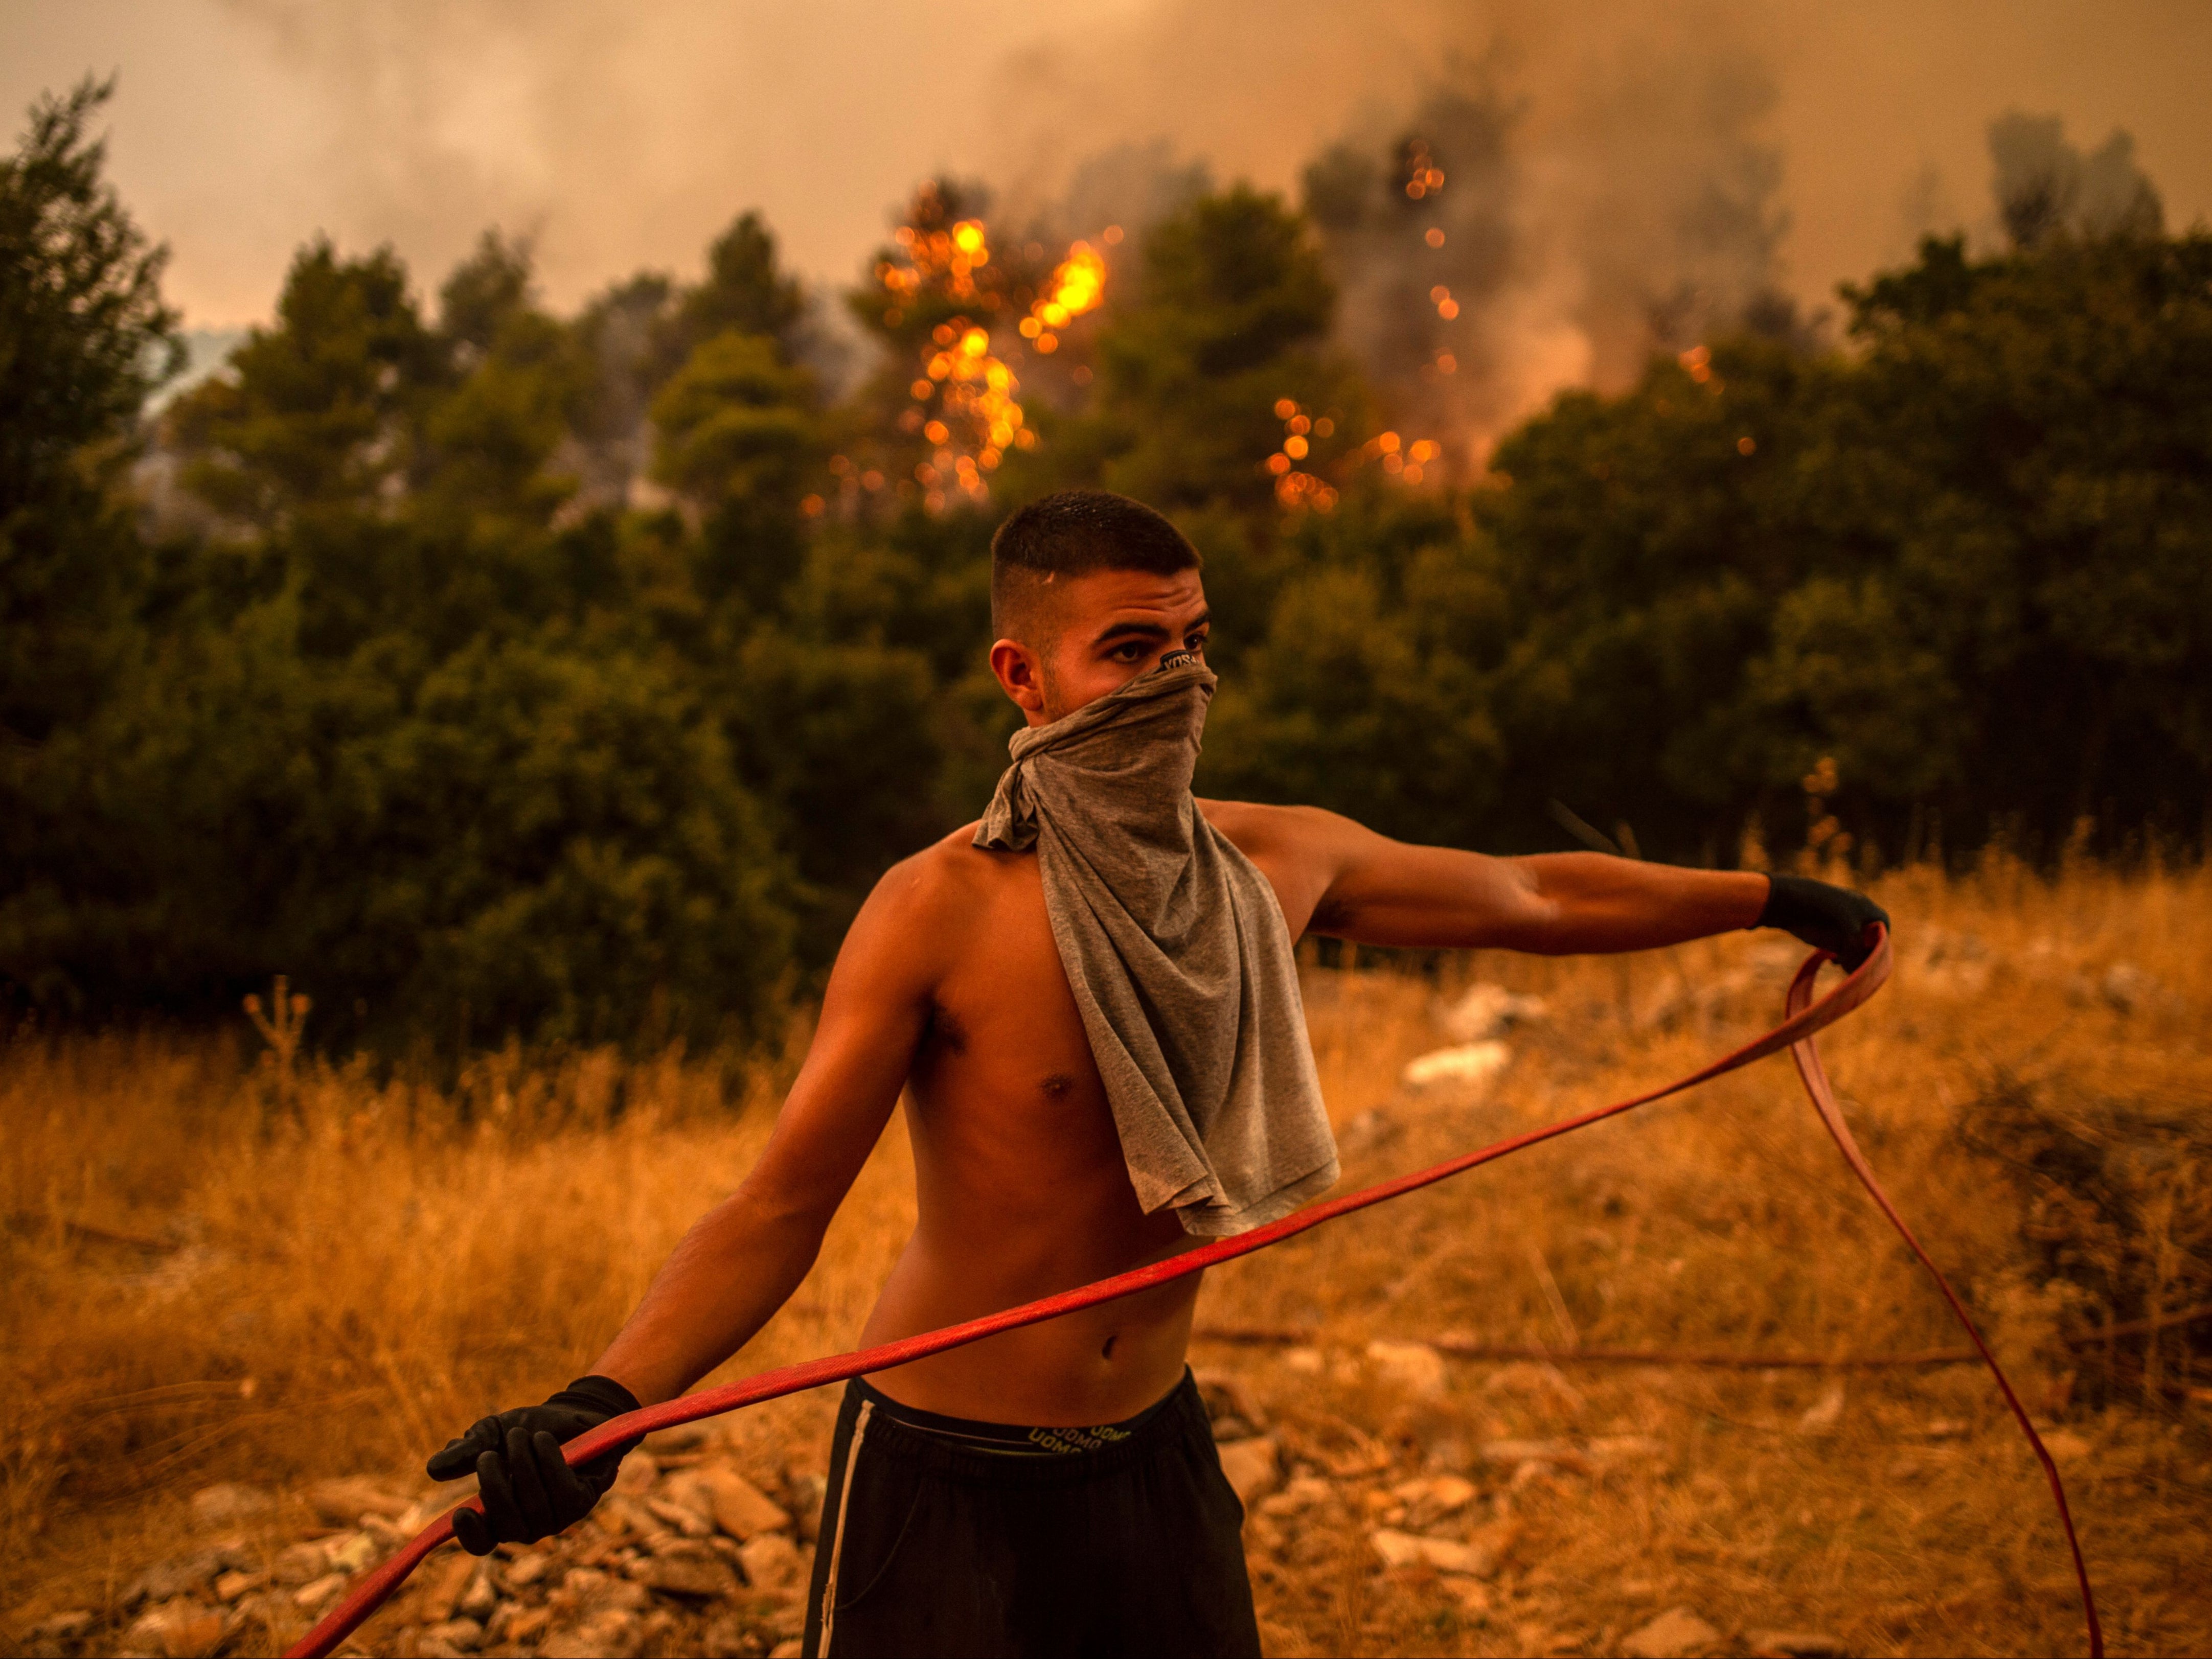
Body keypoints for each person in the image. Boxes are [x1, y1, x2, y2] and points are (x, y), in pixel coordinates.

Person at [426, 490, 1886, 1657]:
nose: (1176, 678)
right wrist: (594, 1406)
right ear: (1026, 674)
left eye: (1192, 643)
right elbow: (779, 1205)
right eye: (1131, 650)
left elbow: (1529, 897)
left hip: (1152, 1456)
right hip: (946, 1474)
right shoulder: (936, 909)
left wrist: (1770, 898)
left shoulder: (1274, 860)